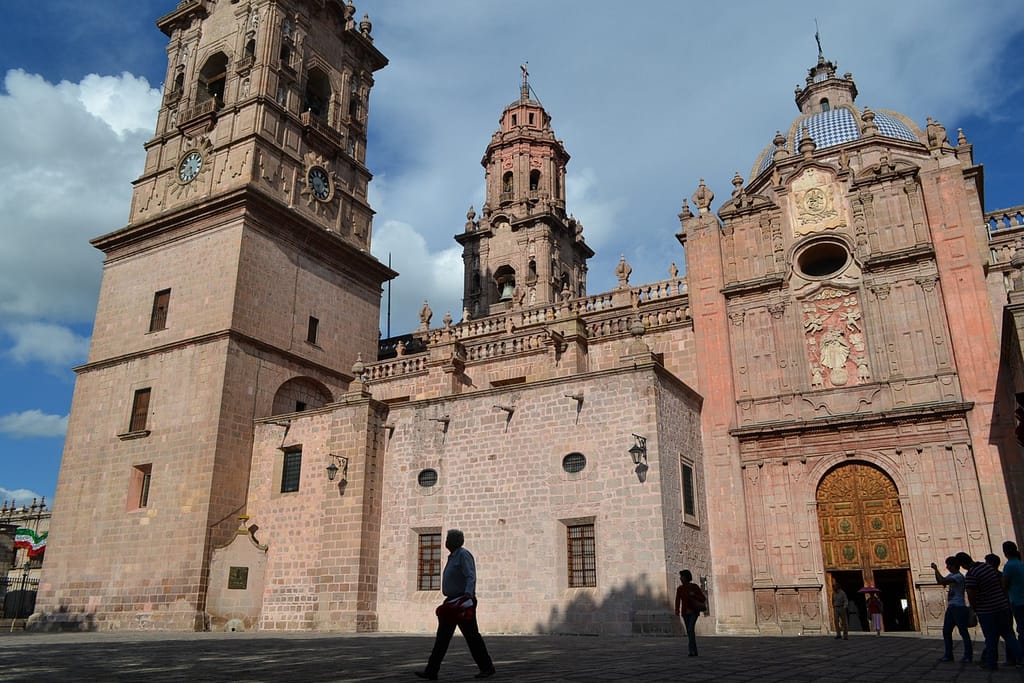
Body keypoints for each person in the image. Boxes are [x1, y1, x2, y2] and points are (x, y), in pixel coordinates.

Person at [415, 530, 495, 680]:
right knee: (442, 638)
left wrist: (468, 594)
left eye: (447, 539)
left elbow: (470, 575)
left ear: (454, 541)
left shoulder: (463, 555)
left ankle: (487, 667)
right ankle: (431, 671)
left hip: (462, 602)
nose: (445, 541)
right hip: (451, 601)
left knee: (472, 636)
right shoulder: (453, 557)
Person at [958, 550, 1021, 671]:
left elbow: (972, 595)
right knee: (1009, 636)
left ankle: (991, 663)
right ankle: (1021, 658)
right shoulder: (987, 567)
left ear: (962, 564)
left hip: (987, 610)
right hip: (1002, 606)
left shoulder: (971, 574)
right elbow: (1002, 584)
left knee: (991, 638)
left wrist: (973, 611)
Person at [932, 557, 972, 662]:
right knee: (946, 631)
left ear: (953, 565)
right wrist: (935, 572)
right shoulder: (952, 575)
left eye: (948, 565)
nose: (947, 567)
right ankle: (949, 655)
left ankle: (968, 656)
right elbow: (941, 582)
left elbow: (943, 580)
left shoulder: (959, 577)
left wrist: (936, 569)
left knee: (963, 632)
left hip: (959, 607)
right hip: (951, 607)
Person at [674, 569, 707, 657]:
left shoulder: (694, 587)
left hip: (693, 611)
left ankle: (691, 650)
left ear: (686, 577)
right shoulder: (680, 588)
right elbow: (677, 600)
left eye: (682, 576)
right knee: (690, 632)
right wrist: (677, 609)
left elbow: (703, 598)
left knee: (690, 629)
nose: (680, 578)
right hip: (685, 612)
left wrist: (694, 595)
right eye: (680, 576)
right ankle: (694, 650)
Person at [1002, 541, 1024, 644]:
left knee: (1021, 629)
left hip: (1017, 601)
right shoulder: (1020, 563)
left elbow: (1005, 585)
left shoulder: (1009, 566)